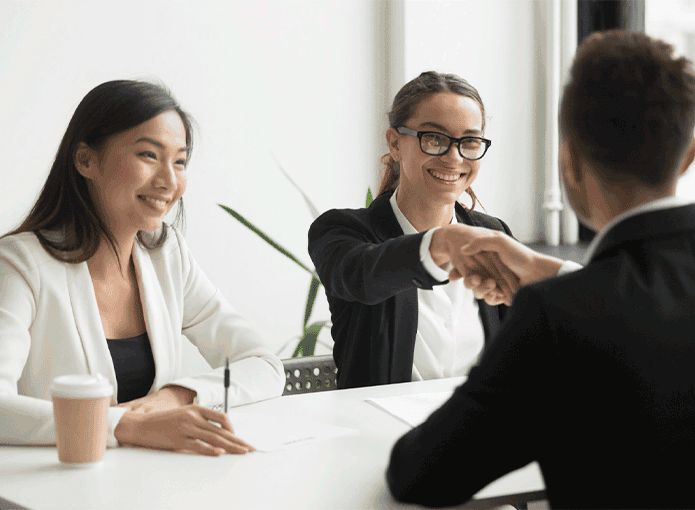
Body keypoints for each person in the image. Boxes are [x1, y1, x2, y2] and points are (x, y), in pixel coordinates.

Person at [387, 30, 695, 508]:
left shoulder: (559, 318)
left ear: (567, 162)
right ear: (688, 155)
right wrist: (551, 273)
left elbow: (421, 473)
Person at [0, 80, 285, 456]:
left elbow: (263, 365)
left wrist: (177, 396)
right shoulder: (20, 264)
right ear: (86, 160)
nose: (170, 181)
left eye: (180, 161)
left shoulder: (167, 256)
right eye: (149, 155)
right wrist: (128, 425)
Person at [308, 71, 546, 389]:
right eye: (434, 138)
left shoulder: (492, 232)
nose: (453, 157)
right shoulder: (343, 231)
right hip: (378, 434)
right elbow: (362, 275)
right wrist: (443, 242)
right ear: (395, 143)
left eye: (470, 141)